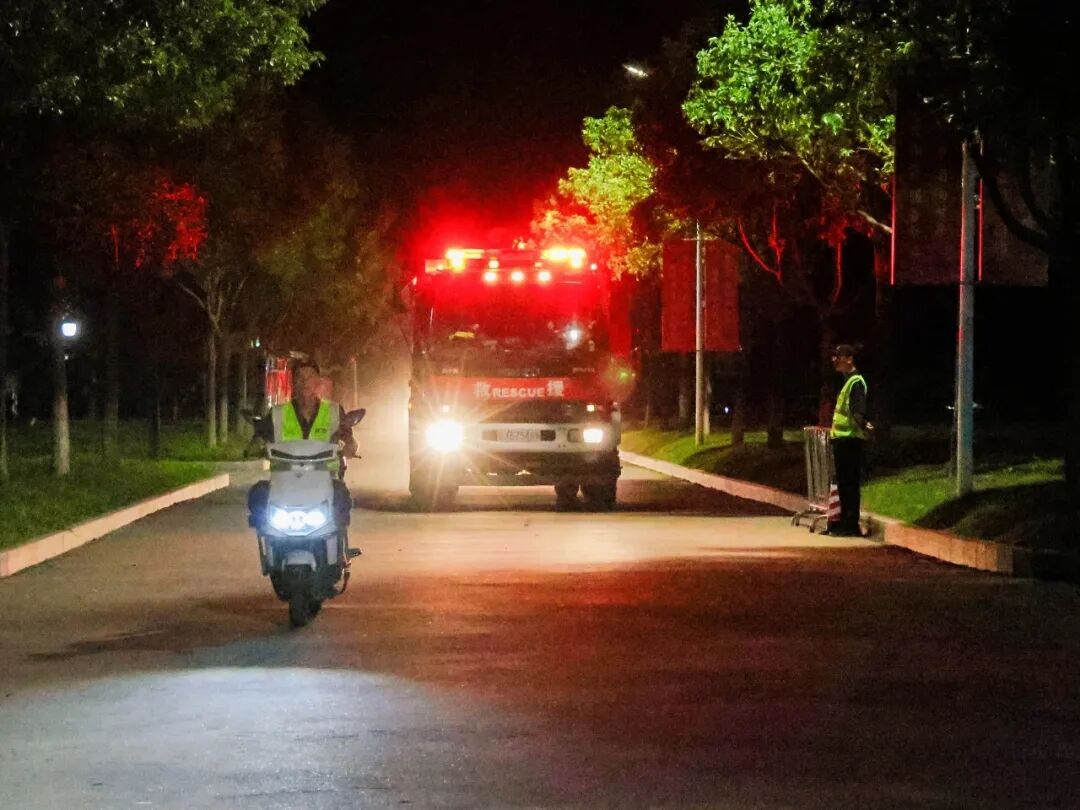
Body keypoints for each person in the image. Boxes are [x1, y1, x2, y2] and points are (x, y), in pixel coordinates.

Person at [247, 360, 357, 538]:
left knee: (341, 500)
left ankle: (339, 547)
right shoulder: (277, 413)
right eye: (300, 377)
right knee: (258, 496)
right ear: (293, 382)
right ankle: (268, 545)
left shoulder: (334, 412)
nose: (305, 382)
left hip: (325, 478)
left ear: (319, 382)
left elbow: (348, 438)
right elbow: (260, 437)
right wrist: (255, 446)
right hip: (285, 481)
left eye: (310, 377)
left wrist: (349, 447)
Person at [829, 344, 873, 537]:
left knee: (849, 484)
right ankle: (845, 523)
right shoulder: (847, 381)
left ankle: (850, 524)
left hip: (851, 441)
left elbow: (857, 411)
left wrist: (864, 425)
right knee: (844, 484)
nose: (835, 361)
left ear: (849, 359)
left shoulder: (855, 382)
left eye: (839, 357)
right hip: (843, 440)